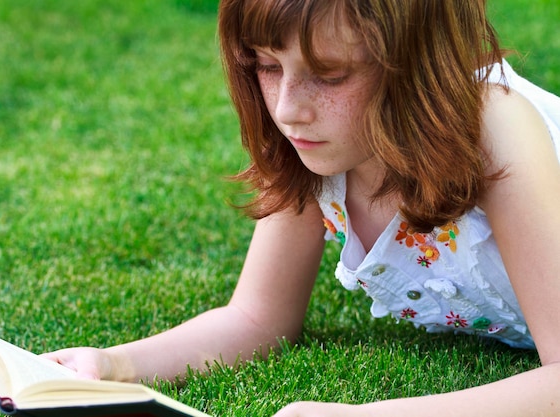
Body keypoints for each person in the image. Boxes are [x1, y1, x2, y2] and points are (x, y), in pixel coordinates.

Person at [44, 0, 560, 415]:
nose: (289, 108)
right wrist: (112, 365)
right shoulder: (319, 149)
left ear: (420, 65)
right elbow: (257, 317)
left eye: (330, 74)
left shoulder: (495, 127)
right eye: (267, 65)